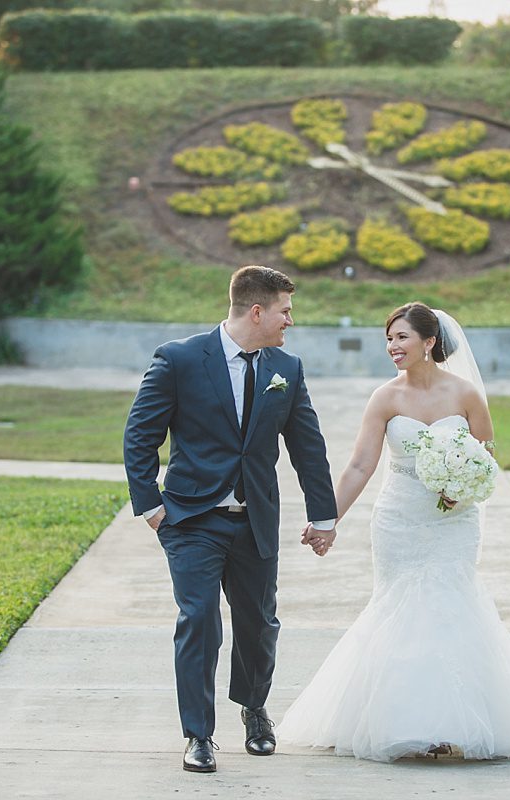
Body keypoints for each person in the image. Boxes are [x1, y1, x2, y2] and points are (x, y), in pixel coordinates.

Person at [280, 301, 510, 761]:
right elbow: (359, 466)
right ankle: (403, 721)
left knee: (450, 606)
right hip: (398, 520)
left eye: (402, 337)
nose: (392, 346)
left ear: (430, 342)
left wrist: (460, 489)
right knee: (399, 609)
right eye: (389, 339)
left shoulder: (466, 395)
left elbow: (486, 460)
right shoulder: (385, 398)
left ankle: (453, 724)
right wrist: (327, 519)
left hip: (454, 521)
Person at [123, 266, 338, 774]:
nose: (291, 321)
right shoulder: (178, 359)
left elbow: (307, 445)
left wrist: (323, 513)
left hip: (255, 519)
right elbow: (140, 435)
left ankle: (254, 707)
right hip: (191, 518)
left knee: (259, 624)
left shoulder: (286, 366)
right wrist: (151, 505)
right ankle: (198, 734)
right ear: (257, 311)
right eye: (286, 311)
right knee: (198, 622)